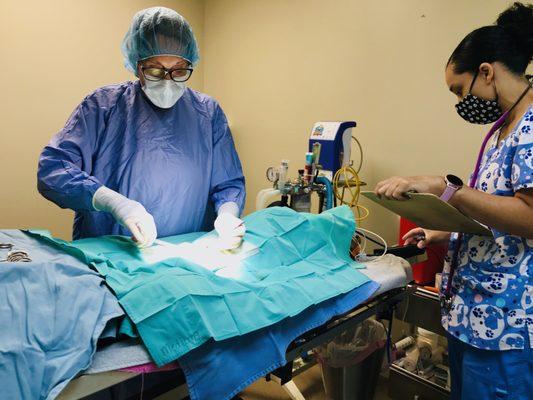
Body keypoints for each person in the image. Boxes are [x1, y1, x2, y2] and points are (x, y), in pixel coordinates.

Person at [374, 3, 532, 399]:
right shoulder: (503, 129)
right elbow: (495, 215)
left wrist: (445, 188)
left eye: (460, 91)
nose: (462, 103)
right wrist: (440, 231)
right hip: (474, 316)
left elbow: (530, 218)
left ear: (486, 71)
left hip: (506, 325)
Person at [37, 7, 246, 249]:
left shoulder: (208, 113)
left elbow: (229, 183)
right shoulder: (103, 106)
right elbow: (53, 170)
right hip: (114, 254)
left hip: (189, 256)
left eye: (178, 70)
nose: (168, 81)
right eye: (156, 69)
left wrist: (227, 215)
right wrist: (113, 202)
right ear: (138, 66)